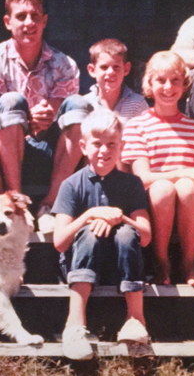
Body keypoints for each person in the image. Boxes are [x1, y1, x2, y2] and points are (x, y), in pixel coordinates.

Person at [0, 0, 84, 228]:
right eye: (21, 16)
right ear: (7, 22)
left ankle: (51, 204)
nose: (29, 23)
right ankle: (17, 202)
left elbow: (58, 109)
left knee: (80, 105)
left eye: (35, 16)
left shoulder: (64, 64)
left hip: (48, 145)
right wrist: (25, 117)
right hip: (6, 146)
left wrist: (45, 116)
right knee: (13, 101)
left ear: (44, 21)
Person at [52, 110, 152, 360]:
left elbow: (146, 235)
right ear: (84, 146)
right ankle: (74, 326)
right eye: (97, 144)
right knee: (88, 232)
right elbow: (60, 242)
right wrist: (90, 215)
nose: (104, 151)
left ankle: (135, 320)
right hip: (81, 267)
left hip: (121, 267)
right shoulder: (71, 185)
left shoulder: (132, 184)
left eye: (111, 144)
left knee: (127, 233)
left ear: (121, 147)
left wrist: (121, 217)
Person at [121, 51, 194, 287]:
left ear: (184, 85)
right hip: (154, 207)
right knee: (163, 187)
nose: (168, 87)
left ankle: (188, 264)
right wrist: (185, 171)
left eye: (175, 80)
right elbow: (143, 178)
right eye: (161, 80)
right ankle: (161, 262)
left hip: (191, 209)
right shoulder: (137, 126)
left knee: (187, 185)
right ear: (149, 84)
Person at [60, 38, 149, 125]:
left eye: (116, 67)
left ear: (126, 69)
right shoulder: (85, 104)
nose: (110, 72)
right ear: (92, 70)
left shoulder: (138, 104)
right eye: (104, 67)